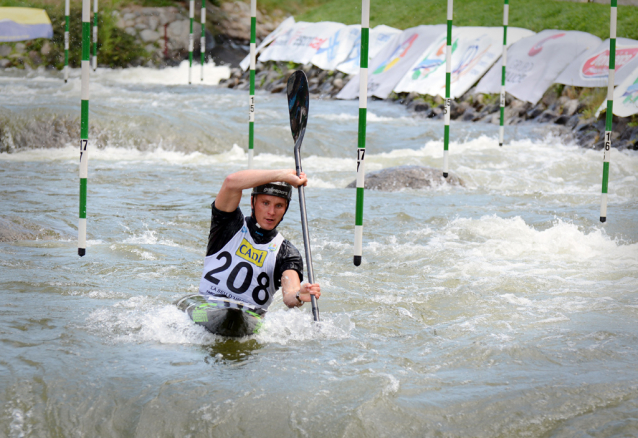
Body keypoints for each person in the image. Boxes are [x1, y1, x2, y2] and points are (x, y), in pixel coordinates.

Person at [198, 168, 321, 314]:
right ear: (252, 202)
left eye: (279, 206)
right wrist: (281, 175)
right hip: (208, 308)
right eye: (265, 203)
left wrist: (299, 295)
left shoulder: (287, 253)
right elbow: (231, 182)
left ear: (285, 209)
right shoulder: (228, 224)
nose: (271, 212)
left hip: (248, 320)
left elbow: (290, 295)